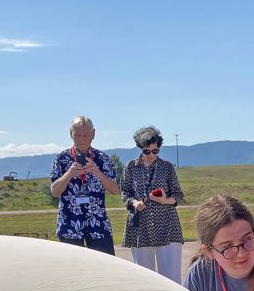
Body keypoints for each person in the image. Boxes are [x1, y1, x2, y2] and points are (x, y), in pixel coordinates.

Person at [121, 126, 185, 282]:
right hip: (141, 227)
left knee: (171, 277)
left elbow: (178, 195)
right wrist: (135, 203)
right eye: (147, 151)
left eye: (155, 151)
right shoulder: (130, 167)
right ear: (140, 148)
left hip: (167, 226)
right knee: (144, 278)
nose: (151, 155)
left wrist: (165, 200)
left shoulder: (167, 167)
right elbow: (125, 193)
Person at [50, 116, 120, 254]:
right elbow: (55, 191)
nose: (82, 139)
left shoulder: (102, 158)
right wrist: (69, 174)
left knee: (105, 267)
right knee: (73, 269)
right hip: (69, 224)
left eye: (86, 135)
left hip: (98, 223)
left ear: (93, 134)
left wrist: (97, 172)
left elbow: (115, 190)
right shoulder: (61, 159)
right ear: (71, 134)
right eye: (78, 135)